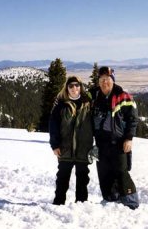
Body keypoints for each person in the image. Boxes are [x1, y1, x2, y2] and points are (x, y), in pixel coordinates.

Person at [90, 66, 140, 210]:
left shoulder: (123, 96)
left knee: (121, 172)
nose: (104, 82)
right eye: (101, 79)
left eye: (107, 79)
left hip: (118, 142)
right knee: (104, 173)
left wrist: (129, 138)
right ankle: (110, 200)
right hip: (100, 143)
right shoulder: (94, 96)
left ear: (112, 80)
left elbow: (133, 119)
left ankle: (131, 203)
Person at [49, 76, 94, 205]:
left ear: (80, 87)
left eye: (77, 85)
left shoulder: (88, 104)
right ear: (67, 88)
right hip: (65, 149)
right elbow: (53, 127)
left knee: (82, 178)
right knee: (62, 178)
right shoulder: (60, 106)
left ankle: (81, 203)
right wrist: (55, 145)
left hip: (83, 149)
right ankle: (58, 202)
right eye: (71, 86)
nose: (74, 88)